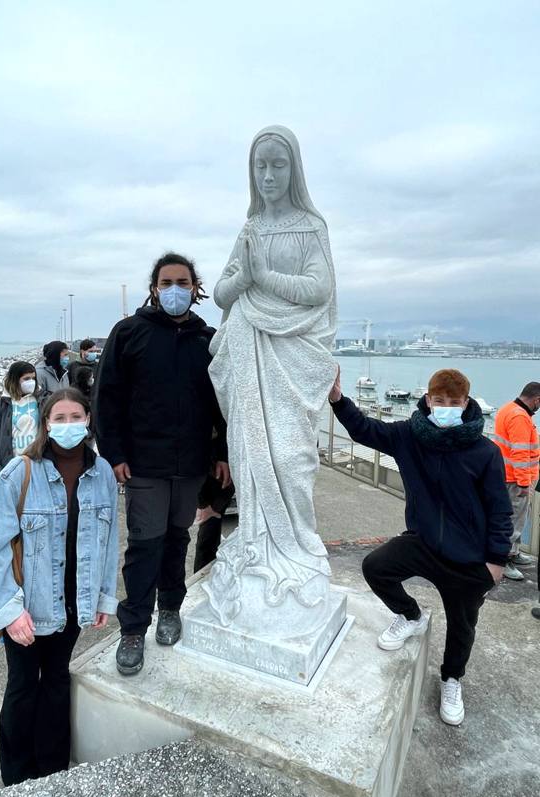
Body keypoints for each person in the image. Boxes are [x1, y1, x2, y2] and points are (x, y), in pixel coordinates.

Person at [202, 124, 337, 635]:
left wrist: (263, 279)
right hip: (249, 350)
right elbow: (221, 292)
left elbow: (318, 288)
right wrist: (245, 277)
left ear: (294, 169)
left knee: (291, 457)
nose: (269, 175)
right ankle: (257, 537)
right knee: (250, 454)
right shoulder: (250, 228)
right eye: (261, 166)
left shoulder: (310, 226)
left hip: (292, 355)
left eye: (278, 165)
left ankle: (297, 546)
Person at [329, 367, 512, 726]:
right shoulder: (408, 436)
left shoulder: (485, 451)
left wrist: (495, 560)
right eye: (439, 401)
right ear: (428, 401)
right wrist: (337, 399)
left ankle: (451, 679)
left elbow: (499, 508)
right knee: (376, 567)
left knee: (462, 627)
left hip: (468, 558)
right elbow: (365, 429)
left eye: (453, 402)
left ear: (465, 403)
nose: (446, 407)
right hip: (424, 542)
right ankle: (411, 616)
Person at [94, 252, 230, 675]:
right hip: (144, 465)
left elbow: (223, 402)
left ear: (195, 289)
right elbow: (106, 398)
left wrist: (222, 452)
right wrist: (114, 454)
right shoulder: (129, 333)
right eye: (167, 282)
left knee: (177, 540)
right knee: (144, 545)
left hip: (191, 464)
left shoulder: (206, 339)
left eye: (183, 282)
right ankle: (133, 628)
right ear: (155, 288)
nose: (175, 289)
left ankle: (171, 608)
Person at [0, 388, 119, 786]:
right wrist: (7, 610)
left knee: (57, 680)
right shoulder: (19, 473)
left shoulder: (102, 472)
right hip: (27, 605)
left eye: (77, 416)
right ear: (46, 423)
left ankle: (53, 772)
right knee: (22, 685)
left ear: (88, 420)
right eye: (60, 417)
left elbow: (109, 542)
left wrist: (104, 596)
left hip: (75, 602)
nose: (69, 425)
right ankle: (19, 779)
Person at [492, 383, 540, 580]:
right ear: (536, 399)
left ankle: (514, 552)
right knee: (513, 522)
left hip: (507, 476)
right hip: (515, 480)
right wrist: (523, 483)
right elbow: (520, 453)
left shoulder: (508, 408)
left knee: (515, 519)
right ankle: (504, 561)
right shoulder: (520, 416)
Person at [0, 361, 41, 479]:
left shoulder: (40, 400)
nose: (31, 382)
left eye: (33, 378)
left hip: (38, 462)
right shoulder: (1, 405)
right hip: (11, 463)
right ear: (15, 380)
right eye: (26, 379)